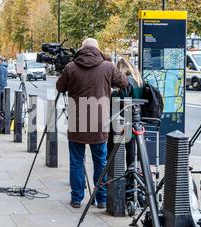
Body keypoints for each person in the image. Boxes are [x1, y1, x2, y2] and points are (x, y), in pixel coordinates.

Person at [56, 38, 128, 209]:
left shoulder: (71, 67)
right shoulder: (108, 67)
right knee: (100, 161)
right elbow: (124, 82)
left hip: (76, 122)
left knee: (76, 161)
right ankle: (101, 199)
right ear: (98, 49)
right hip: (99, 122)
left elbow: (60, 87)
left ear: (81, 49)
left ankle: (76, 198)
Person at [113, 57, 145, 168]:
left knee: (123, 148)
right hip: (138, 117)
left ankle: (127, 176)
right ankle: (135, 172)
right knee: (134, 148)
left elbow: (122, 99)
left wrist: (113, 94)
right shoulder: (139, 79)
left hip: (126, 117)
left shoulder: (126, 81)